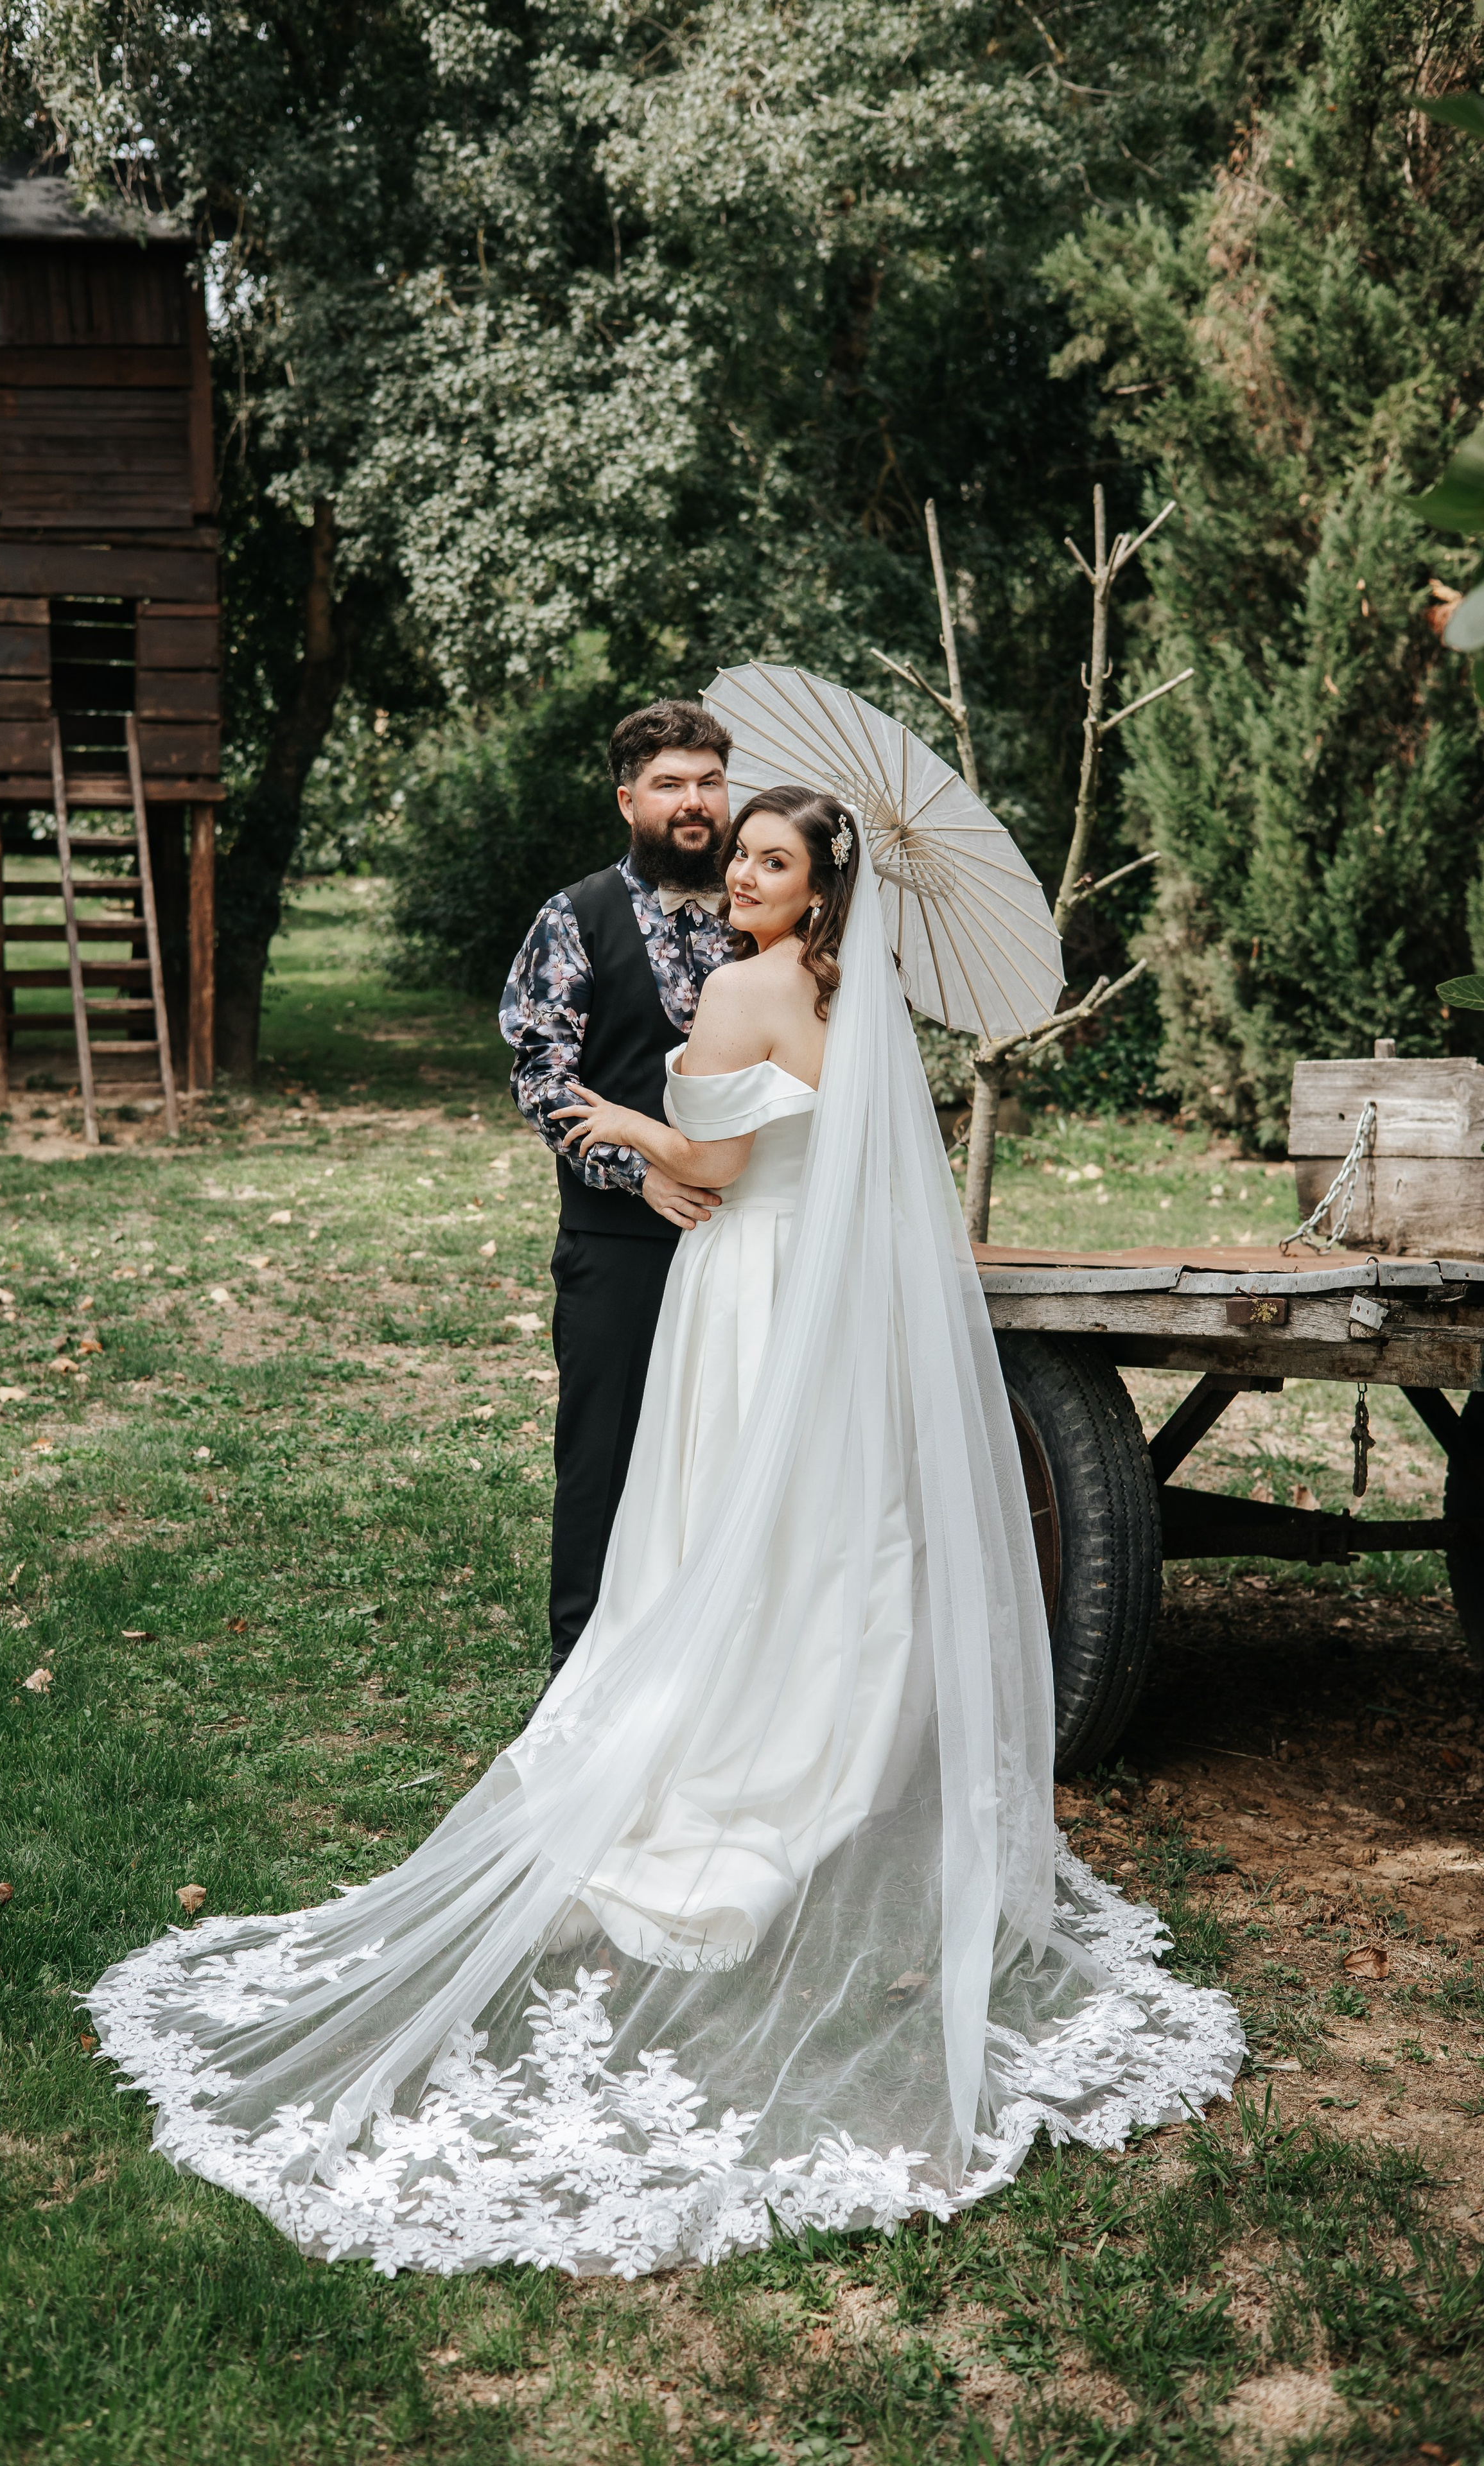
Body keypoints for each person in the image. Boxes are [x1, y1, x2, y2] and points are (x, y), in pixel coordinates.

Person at [86, 783, 1242, 2280]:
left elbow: (709, 1176)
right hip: (828, 1317)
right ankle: (830, 1749)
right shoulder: (855, 995)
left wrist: (620, 1115)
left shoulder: (748, 988)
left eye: (768, 860)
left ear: (819, 887)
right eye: (738, 853)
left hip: (746, 1295)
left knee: (712, 1533)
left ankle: (719, 1758)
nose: (737, 874)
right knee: (822, 1539)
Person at [500, 699, 738, 1680]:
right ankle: (582, 1673)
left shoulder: (766, 913)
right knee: (603, 1455)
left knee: (730, 1451)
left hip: (749, 1234)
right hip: (620, 1239)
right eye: (672, 784)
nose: (695, 802)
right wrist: (640, 1174)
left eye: (710, 782)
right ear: (628, 799)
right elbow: (540, 1076)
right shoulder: (577, 916)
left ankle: (715, 1661)